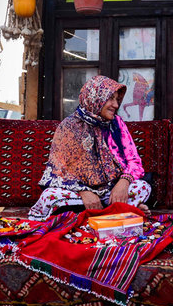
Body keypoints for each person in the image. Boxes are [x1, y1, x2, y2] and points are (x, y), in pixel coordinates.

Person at [28, 75, 151, 221]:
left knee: (142, 187)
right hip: (78, 192)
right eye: (110, 99)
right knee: (50, 197)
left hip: (111, 191)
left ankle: (100, 212)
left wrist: (124, 182)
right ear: (95, 98)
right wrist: (83, 191)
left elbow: (134, 161)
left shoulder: (116, 124)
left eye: (117, 99)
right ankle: (122, 211)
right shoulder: (69, 126)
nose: (116, 105)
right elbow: (58, 169)